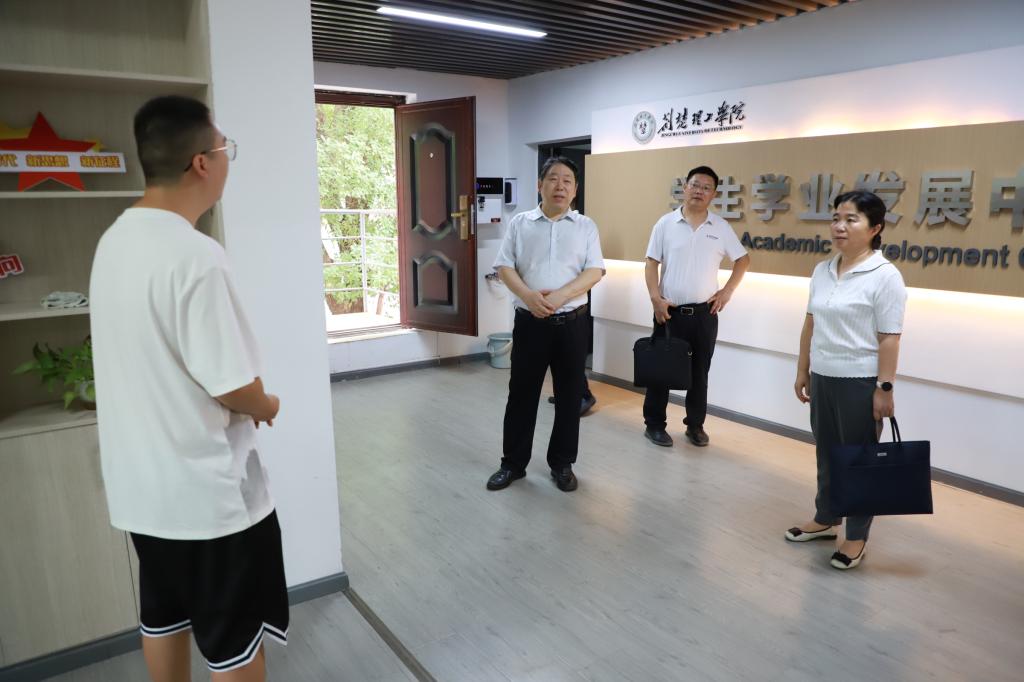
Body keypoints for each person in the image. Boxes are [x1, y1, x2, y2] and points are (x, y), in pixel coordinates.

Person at [90, 95, 287, 681]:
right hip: (205, 496)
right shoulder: (196, 256)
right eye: (225, 148)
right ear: (202, 162)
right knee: (233, 642)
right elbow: (234, 386)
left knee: (164, 616)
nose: (227, 160)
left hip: (141, 488)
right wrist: (268, 404)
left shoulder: (114, 240)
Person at [786, 190, 907, 571]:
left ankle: (856, 536)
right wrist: (803, 369)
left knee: (859, 461)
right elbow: (810, 323)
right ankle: (826, 518)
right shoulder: (823, 269)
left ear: (875, 228)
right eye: (836, 218)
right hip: (823, 376)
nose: (840, 226)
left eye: (851, 219)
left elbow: (889, 337)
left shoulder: (885, 276)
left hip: (860, 380)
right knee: (826, 454)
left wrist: (884, 388)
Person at [487, 156, 605, 492]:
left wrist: (559, 296)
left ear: (575, 190)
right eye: (553, 178)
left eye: (568, 181)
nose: (560, 186)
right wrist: (529, 297)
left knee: (570, 397)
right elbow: (504, 266)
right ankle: (512, 464)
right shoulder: (520, 223)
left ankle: (562, 464)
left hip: (572, 324)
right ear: (540, 185)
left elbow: (594, 271)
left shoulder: (586, 226)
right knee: (521, 395)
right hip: (530, 324)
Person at [642, 165, 750, 448]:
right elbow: (651, 263)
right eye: (695, 185)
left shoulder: (720, 227)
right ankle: (654, 425)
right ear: (685, 187)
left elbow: (743, 260)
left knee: (700, 372)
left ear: (713, 194)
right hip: (668, 312)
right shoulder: (665, 223)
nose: (699, 191)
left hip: (704, 314)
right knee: (661, 371)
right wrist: (655, 299)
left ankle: (695, 425)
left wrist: (727, 291)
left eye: (706, 187)